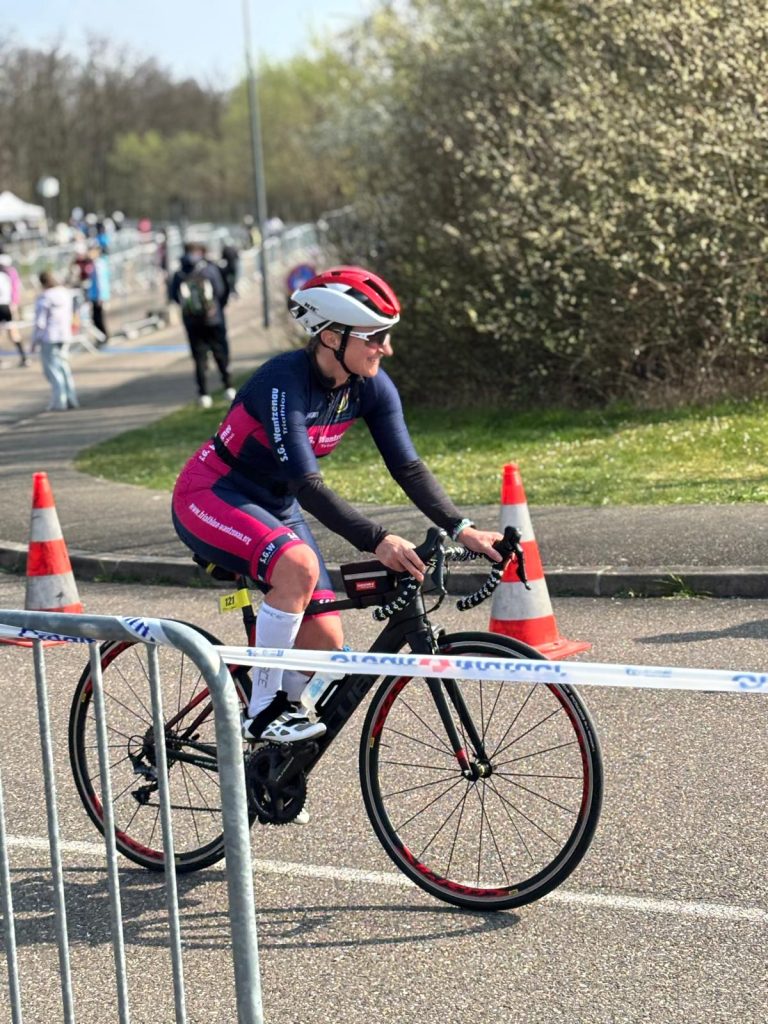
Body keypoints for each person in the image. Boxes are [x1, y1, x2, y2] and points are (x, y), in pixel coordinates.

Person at [171, 265, 502, 744]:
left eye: (386, 335)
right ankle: (261, 712)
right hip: (213, 494)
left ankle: (269, 750)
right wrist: (378, 539)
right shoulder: (283, 382)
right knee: (298, 567)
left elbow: (407, 467)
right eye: (374, 337)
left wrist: (462, 528)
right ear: (331, 336)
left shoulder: (371, 385)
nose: (385, 348)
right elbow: (307, 485)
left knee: (325, 640)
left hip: (276, 505)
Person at [169, 242, 234, 408]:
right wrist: (216, 309)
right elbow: (220, 291)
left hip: (192, 322)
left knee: (199, 358)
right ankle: (228, 386)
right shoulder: (209, 269)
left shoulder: (179, 273)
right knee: (220, 353)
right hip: (213, 319)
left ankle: (204, 393)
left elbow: (174, 296)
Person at [30, 271, 79, 411]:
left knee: (52, 370)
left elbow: (40, 322)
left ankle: (59, 400)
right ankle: (71, 398)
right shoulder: (65, 293)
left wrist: (34, 340)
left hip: (49, 337)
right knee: (64, 367)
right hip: (65, 334)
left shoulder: (44, 297)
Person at [0, 253, 30, 366]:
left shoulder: (6, 275)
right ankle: (24, 358)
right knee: (13, 332)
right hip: (7, 306)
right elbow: (14, 291)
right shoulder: (9, 275)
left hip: (4, 306)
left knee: (8, 333)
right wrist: (14, 305)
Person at [85, 245, 111, 345]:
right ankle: (102, 336)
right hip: (95, 295)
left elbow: (101, 281)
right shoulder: (96, 263)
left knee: (98, 317)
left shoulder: (98, 264)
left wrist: (101, 296)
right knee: (96, 317)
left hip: (98, 296)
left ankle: (103, 336)